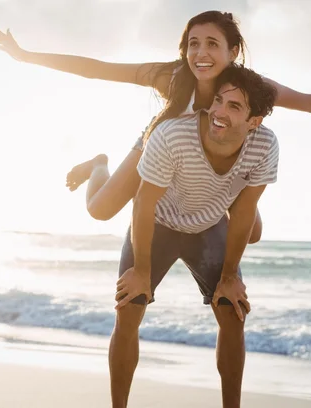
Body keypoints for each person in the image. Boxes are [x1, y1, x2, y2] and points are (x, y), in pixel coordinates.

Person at [0, 10, 311, 244]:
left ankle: (227, 192)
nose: (201, 53)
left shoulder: (248, 88)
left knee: (253, 233)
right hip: (158, 147)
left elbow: (310, 103)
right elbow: (97, 69)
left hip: (216, 161)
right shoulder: (168, 76)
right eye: (193, 43)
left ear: (232, 51)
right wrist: (26, 56)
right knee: (100, 210)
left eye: (212, 45)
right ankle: (99, 163)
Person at [112, 64, 277, 408]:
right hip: (158, 222)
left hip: (208, 224)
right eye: (218, 101)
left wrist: (230, 276)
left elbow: (244, 212)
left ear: (254, 120)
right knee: (130, 306)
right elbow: (143, 202)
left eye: (235, 107)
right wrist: (141, 270)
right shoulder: (172, 134)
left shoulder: (265, 144)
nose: (219, 112)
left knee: (232, 310)